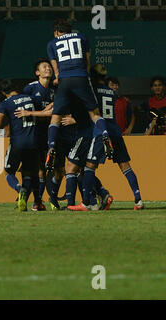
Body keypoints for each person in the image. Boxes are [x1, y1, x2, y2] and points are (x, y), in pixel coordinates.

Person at [69, 64, 143, 211]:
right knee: (125, 166)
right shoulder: (111, 92)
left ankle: (86, 203)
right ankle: (138, 200)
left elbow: (91, 111)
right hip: (115, 130)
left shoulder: (92, 90)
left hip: (100, 131)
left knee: (89, 166)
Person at [46, 19, 112, 172]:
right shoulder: (82, 37)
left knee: (55, 117)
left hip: (64, 80)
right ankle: (105, 134)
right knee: (94, 114)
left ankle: (51, 147)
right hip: (80, 77)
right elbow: (87, 62)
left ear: (56, 32)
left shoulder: (51, 43)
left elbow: (56, 70)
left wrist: (59, 79)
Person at [0, 79, 42, 212]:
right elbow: (43, 111)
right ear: (16, 88)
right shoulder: (31, 98)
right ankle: (30, 199)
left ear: (3, 92)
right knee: (28, 173)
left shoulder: (6, 103)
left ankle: (19, 189)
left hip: (18, 142)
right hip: (33, 142)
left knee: (8, 171)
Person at [21, 58, 55, 211]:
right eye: (44, 67)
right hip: (35, 133)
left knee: (56, 170)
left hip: (52, 133)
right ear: (37, 73)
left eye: (49, 66)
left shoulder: (56, 89)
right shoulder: (30, 89)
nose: (48, 68)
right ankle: (36, 201)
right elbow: (24, 113)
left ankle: (50, 200)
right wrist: (44, 112)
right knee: (39, 169)